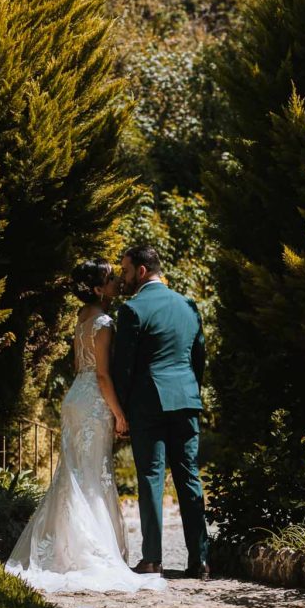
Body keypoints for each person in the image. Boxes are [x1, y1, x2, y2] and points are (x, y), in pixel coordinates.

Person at [5, 259, 166, 595]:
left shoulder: (82, 318)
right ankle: (88, 551)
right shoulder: (105, 322)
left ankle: (64, 548)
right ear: (97, 289)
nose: (116, 284)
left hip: (75, 396)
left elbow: (83, 366)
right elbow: (104, 374)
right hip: (94, 400)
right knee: (92, 475)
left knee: (75, 474)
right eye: (110, 280)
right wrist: (119, 413)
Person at [113, 245, 210, 579]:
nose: (123, 278)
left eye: (125, 271)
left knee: (151, 478)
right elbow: (199, 358)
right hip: (186, 400)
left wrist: (120, 412)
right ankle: (200, 560)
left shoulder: (132, 310)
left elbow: (122, 369)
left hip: (148, 405)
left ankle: (152, 558)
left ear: (141, 271)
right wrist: (191, 390)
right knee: (190, 478)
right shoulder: (188, 305)